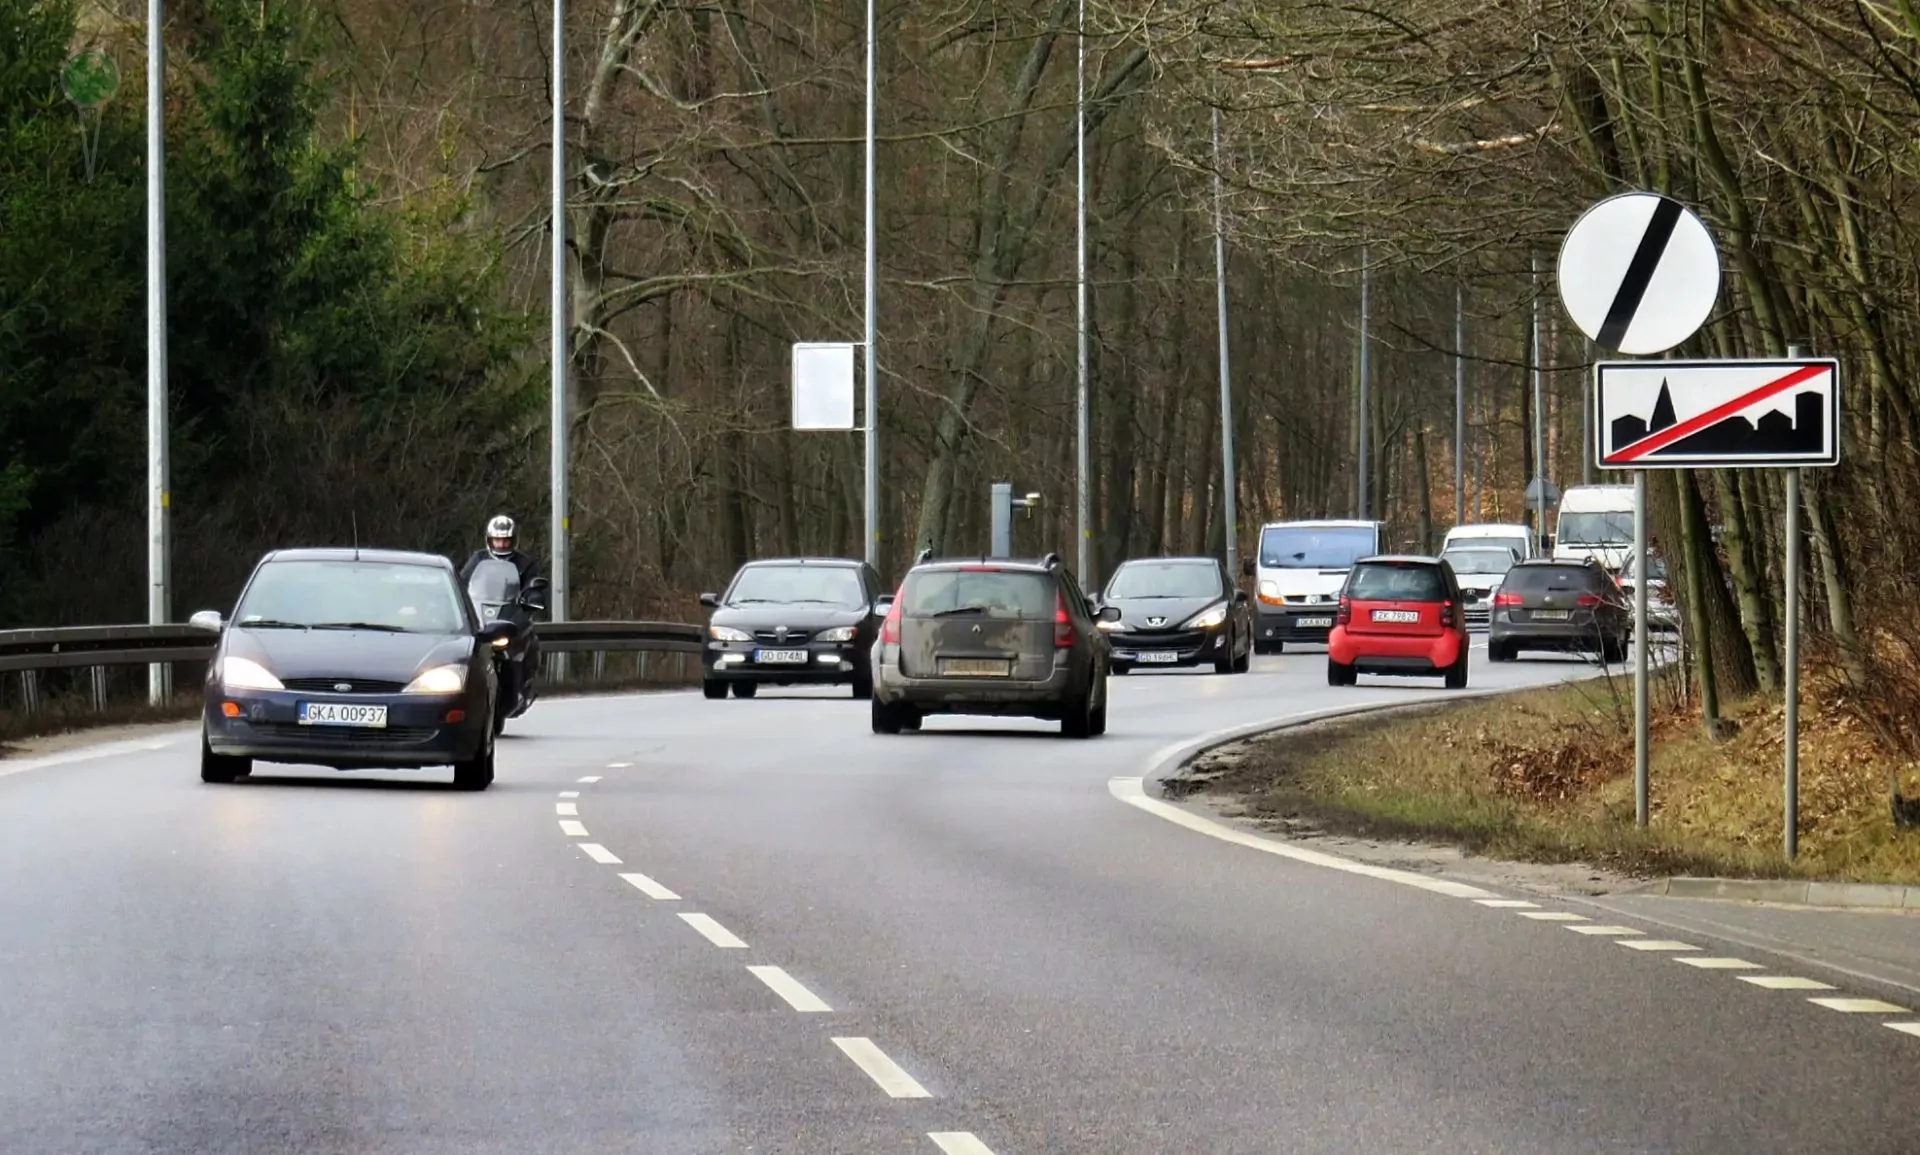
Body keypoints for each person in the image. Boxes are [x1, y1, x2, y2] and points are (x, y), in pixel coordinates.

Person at [460, 515, 543, 709]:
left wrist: (532, 598)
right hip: (482, 612)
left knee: (527, 636)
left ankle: (524, 680)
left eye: (506, 540)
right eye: (498, 540)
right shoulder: (478, 559)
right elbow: (463, 582)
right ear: (490, 540)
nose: (501, 544)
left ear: (514, 540)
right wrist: (461, 598)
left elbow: (534, 587)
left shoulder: (524, 564)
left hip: (510, 614)